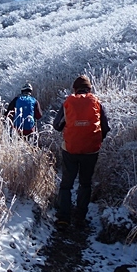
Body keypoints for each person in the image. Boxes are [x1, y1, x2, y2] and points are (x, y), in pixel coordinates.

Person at [52, 75, 110, 229]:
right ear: (89, 89)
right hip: (91, 151)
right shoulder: (97, 102)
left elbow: (57, 125)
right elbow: (105, 127)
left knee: (66, 184)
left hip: (70, 150)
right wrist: (94, 140)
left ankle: (64, 217)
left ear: (75, 89)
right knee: (85, 183)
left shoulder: (68, 102)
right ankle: (80, 218)